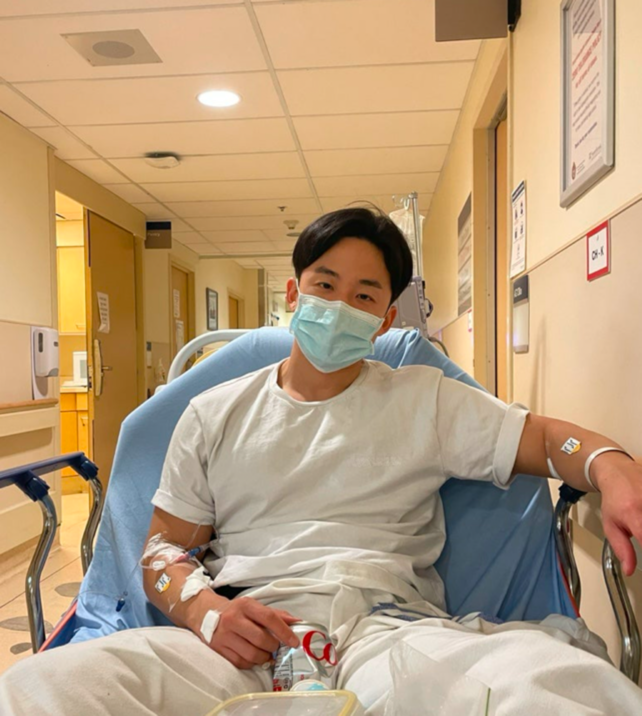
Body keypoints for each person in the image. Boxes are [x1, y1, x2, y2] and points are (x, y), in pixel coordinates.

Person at [2, 207, 642, 715]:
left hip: (388, 634)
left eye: (364, 296)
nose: (340, 307)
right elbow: (162, 552)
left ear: (385, 318)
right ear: (294, 292)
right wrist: (204, 611)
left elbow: (549, 441)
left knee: (556, 688)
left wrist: (609, 466)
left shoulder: (426, 401)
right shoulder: (214, 413)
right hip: (240, 640)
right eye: (325, 285)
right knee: (42, 689)